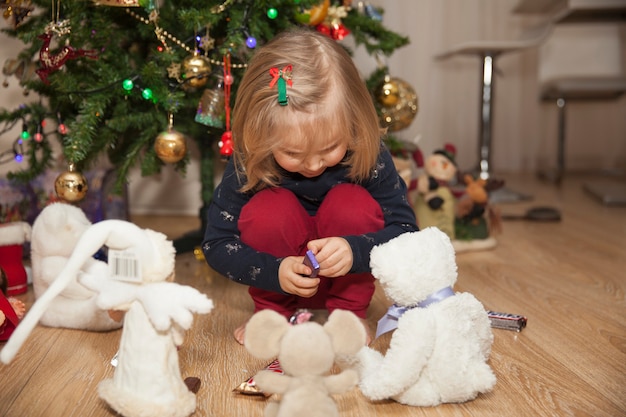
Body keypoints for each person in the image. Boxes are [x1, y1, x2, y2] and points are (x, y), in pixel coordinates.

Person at [202, 28, 418, 344]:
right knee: (267, 209)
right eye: (292, 153)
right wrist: (274, 271)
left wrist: (355, 251)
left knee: (352, 202)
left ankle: (347, 316)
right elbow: (216, 244)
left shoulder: (368, 153)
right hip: (278, 284)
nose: (314, 165)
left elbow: (406, 232)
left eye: (330, 147)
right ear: (260, 133)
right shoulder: (250, 160)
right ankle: (272, 314)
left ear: (354, 121)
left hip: (347, 290)